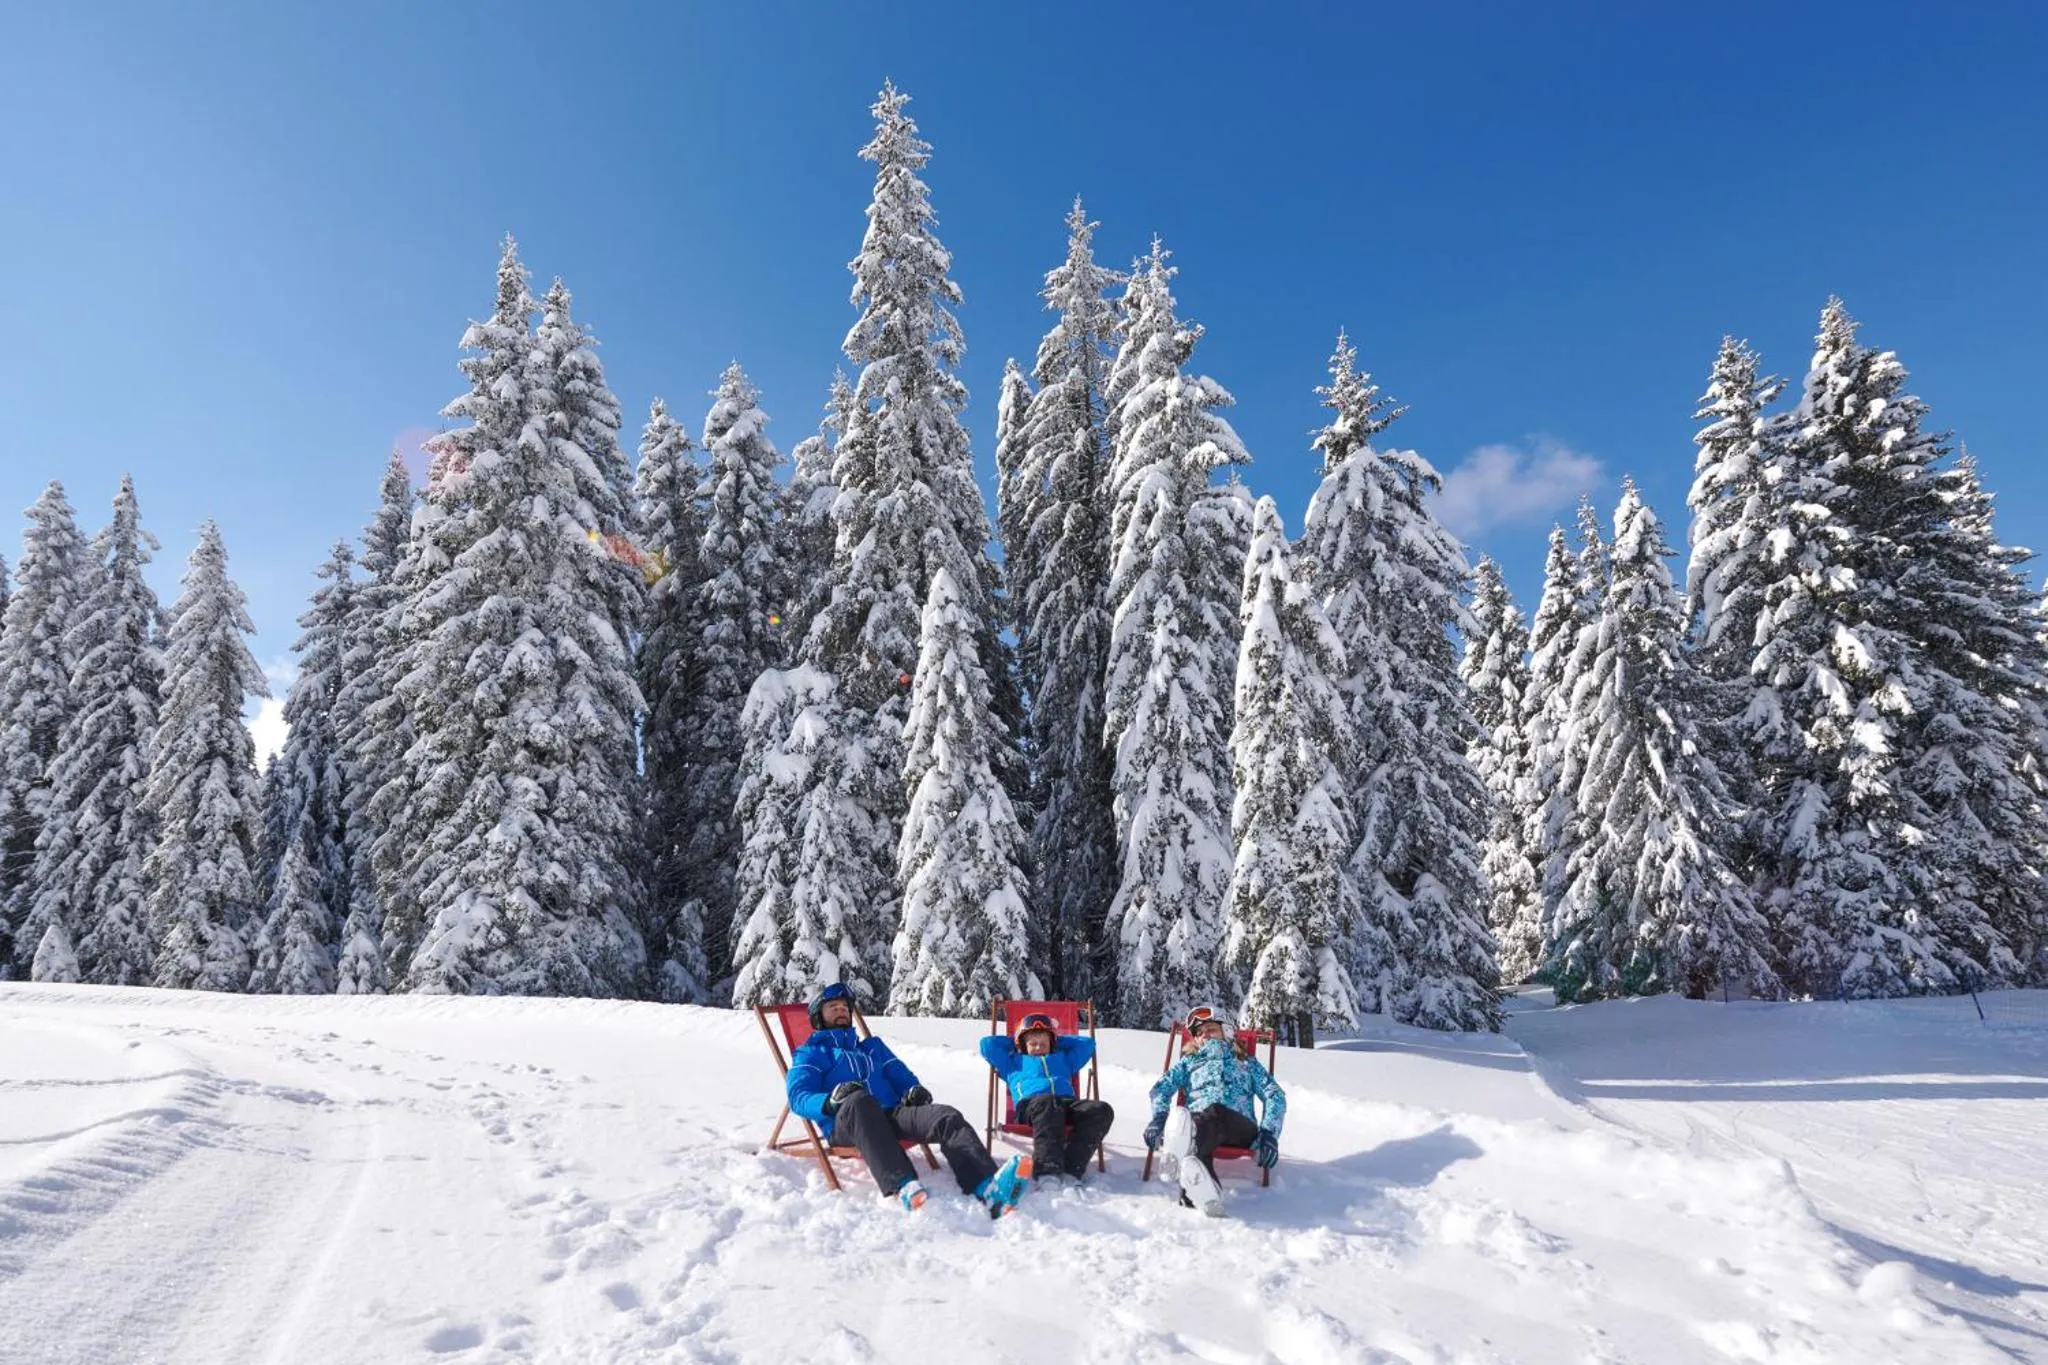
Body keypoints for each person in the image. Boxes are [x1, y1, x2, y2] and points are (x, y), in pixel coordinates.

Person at [786, 983, 1025, 1215]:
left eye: (845, 1007)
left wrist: (913, 1090)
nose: (841, 1011)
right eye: (833, 1007)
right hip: (847, 1121)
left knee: (945, 1116)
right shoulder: (812, 1053)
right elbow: (798, 1095)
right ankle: (903, 1184)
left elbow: (901, 1076)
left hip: (890, 1114)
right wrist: (830, 1101)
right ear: (819, 1016)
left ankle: (986, 1186)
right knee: (860, 1100)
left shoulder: (872, 1047)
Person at [1142, 1005, 1286, 1215]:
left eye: (1210, 1030)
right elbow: (1160, 1090)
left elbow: (1275, 1095)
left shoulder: (1245, 1062)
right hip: (1201, 1129)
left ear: (1226, 1030)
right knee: (1193, 1131)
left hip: (1240, 1128)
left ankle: (1177, 1150)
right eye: (1199, 1034)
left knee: (1211, 1114)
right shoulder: (1189, 1062)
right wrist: (1160, 1117)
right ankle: (1206, 1193)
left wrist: (1269, 1133)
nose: (1204, 1036)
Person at [979, 1012, 1115, 1186]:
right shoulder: (1012, 1062)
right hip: (1032, 1106)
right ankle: (1047, 1170)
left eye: (1043, 1043)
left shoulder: (1063, 1059)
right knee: (1048, 1103)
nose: (1038, 1047)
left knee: (1101, 1110)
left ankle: (1071, 1170)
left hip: (1066, 1104)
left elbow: (1088, 1045)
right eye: (1033, 1043)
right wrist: (1016, 1039)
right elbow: (986, 1045)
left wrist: (1057, 1039)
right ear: (1023, 1044)